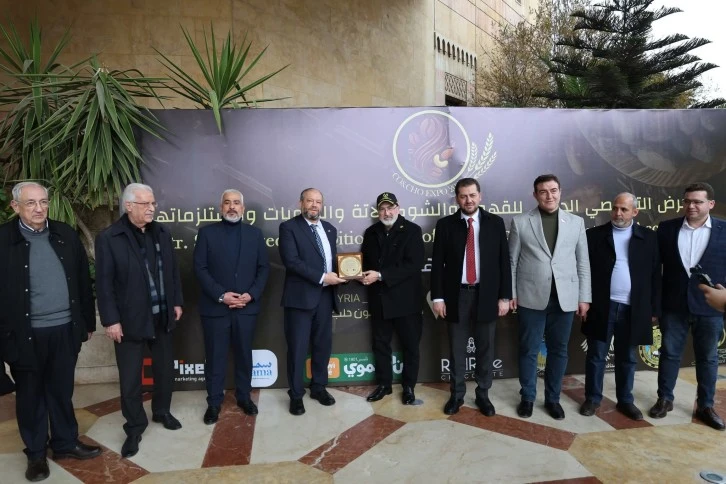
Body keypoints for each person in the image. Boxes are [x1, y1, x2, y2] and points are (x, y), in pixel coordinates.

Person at [0, 182, 100, 482]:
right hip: (24, 335)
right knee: (30, 396)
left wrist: (87, 322)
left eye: (43, 202)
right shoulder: (3, 240)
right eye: (31, 203)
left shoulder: (65, 234)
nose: (39, 208)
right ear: (15, 206)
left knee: (61, 391)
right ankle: (35, 454)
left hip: (64, 330)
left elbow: (82, 281)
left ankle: (66, 443)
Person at [95, 183, 184, 457]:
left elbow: (173, 271)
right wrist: (111, 320)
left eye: (153, 203)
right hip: (129, 321)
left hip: (162, 315)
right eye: (146, 204)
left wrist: (177, 301)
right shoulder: (109, 237)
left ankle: (162, 411)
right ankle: (134, 427)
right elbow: (104, 283)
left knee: (164, 370)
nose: (152, 208)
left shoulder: (162, 232)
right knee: (130, 380)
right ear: (129, 206)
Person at [509, 174, 591, 420]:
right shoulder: (521, 222)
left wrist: (584, 297)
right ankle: (527, 397)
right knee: (529, 349)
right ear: (535, 195)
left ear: (560, 191)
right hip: (530, 297)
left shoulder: (576, 222)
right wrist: (511, 293)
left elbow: (583, 262)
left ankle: (553, 399)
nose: (549, 196)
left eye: (553, 190)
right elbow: (512, 262)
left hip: (565, 298)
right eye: (543, 191)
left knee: (559, 350)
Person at [431, 178, 511, 416]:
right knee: (457, 350)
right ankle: (457, 396)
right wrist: (438, 298)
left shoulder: (495, 223)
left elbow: (504, 262)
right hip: (457, 296)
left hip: (486, 295)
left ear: (480, 196)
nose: (469, 200)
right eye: (464, 196)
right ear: (457, 198)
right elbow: (437, 265)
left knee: (485, 349)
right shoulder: (445, 225)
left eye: (472, 195)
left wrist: (505, 297)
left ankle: (483, 395)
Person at [649, 182, 726, 431]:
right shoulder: (666, 228)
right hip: (674, 306)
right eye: (687, 201)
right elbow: (655, 271)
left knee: (708, 358)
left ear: (710, 204)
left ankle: (705, 406)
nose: (691, 206)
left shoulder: (724, 230)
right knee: (669, 354)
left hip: (710, 308)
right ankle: (665, 399)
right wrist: (655, 305)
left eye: (697, 202)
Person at [580, 193, 660, 421]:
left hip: (633, 309)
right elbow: (583, 272)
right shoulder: (594, 235)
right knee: (596, 355)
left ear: (635, 212)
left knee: (628, 357)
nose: (618, 213)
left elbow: (656, 275)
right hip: (601, 306)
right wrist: (584, 300)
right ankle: (592, 399)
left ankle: (625, 400)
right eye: (615, 208)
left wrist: (654, 308)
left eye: (624, 209)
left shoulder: (649, 237)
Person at [193, 189, 269, 424]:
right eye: (227, 203)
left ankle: (244, 397)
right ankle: (214, 403)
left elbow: (263, 268)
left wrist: (251, 295)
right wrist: (221, 295)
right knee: (215, 357)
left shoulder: (255, 234)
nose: (232, 207)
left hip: (246, 308)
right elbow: (200, 268)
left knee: (244, 356)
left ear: (243, 208)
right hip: (216, 309)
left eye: (236, 203)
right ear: (221, 207)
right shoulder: (206, 233)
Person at [278, 188, 346, 416]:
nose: (314, 205)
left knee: (322, 346)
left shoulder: (330, 229)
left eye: (318, 201)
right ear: (301, 203)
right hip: (300, 299)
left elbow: (332, 262)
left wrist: (348, 273)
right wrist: (323, 277)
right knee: (297, 349)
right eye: (310, 201)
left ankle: (318, 387)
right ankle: (296, 395)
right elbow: (292, 261)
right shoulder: (289, 227)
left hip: (326, 297)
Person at [360, 192, 425, 405]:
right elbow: (365, 263)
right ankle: (384, 385)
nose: (386, 212)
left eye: (390, 208)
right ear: (378, 211)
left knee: (411, 346)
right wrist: (359, 274)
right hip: (379, 300)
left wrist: (380, 275)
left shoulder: (412, 230)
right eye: (382, 209)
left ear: (398, 208)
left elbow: (414, 264)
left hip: (407, 302)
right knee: (380, 345)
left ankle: (409, 387)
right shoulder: (371, 233)